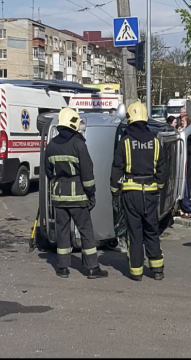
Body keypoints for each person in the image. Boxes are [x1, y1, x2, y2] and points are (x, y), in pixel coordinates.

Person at [43, 108, 108, 280]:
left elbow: (48, 171)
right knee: (86, 231)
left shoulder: (51, 145)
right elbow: (87, 172)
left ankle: (62, 267)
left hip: (59, 197)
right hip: (78, 196)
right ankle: (92, 268)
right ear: (73, 123)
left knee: (62, 232)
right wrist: (91, 193)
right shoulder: (78, 144)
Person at [110, 102, 166, 281]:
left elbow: (117, 168)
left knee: (134, 231)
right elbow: (163, 169)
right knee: (151, 230)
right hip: (150, 193)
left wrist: (114, 191)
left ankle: (136, 271)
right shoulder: (156, 142)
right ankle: (157, 269)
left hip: (130, 193)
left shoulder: (125, 142)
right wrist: (159, 188)